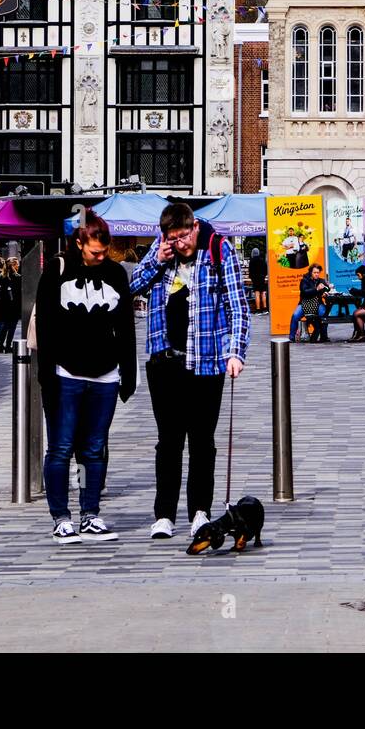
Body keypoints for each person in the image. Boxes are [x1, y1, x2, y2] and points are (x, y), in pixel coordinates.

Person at [130, 202, 249, 543]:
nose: (180, 244)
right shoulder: (161, 250)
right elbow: (132, 287)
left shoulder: (217, 250)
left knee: (201, 440)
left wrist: (235, 353)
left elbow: (238, 305)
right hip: (164, 360)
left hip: (207, 359)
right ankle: (164, 515)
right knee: (168, 441)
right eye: (172, 238)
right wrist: (158, 259)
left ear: (195, 226)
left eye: (184, 236)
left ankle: (200, 512)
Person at [36, 210, 136, 544]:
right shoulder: (57, 270)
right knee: (61, 447)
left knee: (94, 449)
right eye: (95, 251)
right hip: (65, 371)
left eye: (105, 252)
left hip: (106, 373)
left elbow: (124, 327)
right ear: (79, 243)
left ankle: (90, 514)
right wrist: (46, 377)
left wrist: (129, 371)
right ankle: (60, 518)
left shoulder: (115, 273)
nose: (101, 257)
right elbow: (47, 327)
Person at [295, 265, 331, 342]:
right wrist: (317, 289)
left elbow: (327, 289)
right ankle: (291, 337)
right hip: (305, 304)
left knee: (324, 314)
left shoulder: (321, 280)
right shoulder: (305, 280)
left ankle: (324, 336)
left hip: (317, 303)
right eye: (315, 272)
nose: (316, 274)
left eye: (318, 273)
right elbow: (305, 292)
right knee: (295, 315)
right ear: (311, 272)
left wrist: (326, 290)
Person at [0, 257, 22, 353]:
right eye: (17, 264)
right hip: (14, 305)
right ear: (13, 265)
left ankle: (0, 346)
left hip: (3, 305)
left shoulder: (1, 276)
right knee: (12, 326)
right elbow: (19, 293)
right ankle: (8, 345)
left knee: (5, 326)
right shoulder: (18, 277)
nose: (18, 266)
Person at [247, 246, 268, 314]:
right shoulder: (262, 260)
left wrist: (252, 277)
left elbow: (250, 271)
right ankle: (265, 309)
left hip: (255, 279)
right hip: (262, 278)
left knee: (257, 293)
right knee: (263, 293)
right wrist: (263, 275)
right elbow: (266, 270)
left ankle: (258, 310)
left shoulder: (251, 261)